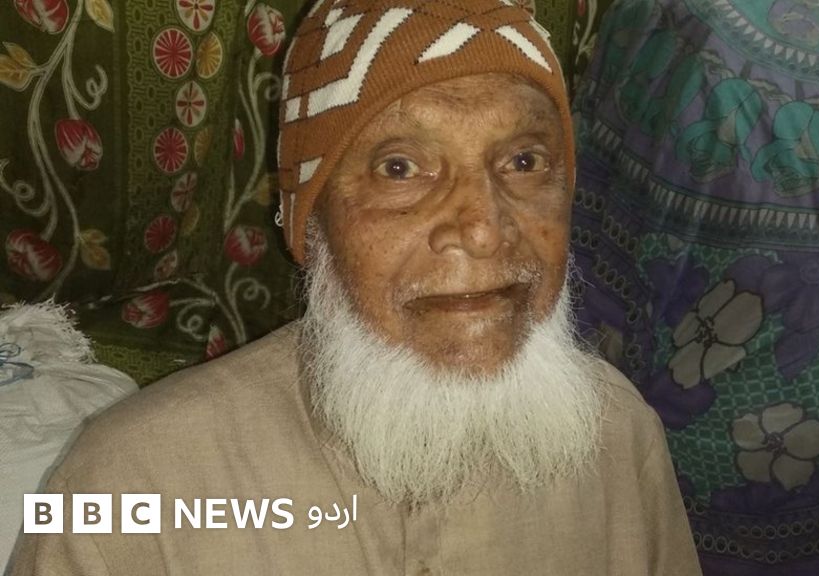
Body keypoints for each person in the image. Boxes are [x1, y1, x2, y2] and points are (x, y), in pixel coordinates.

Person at [10, 1, 702, 574]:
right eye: (401, 168)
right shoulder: (125, 484)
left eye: (524, 162)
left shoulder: (620, 438)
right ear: (310, 223)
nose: (485, 229)